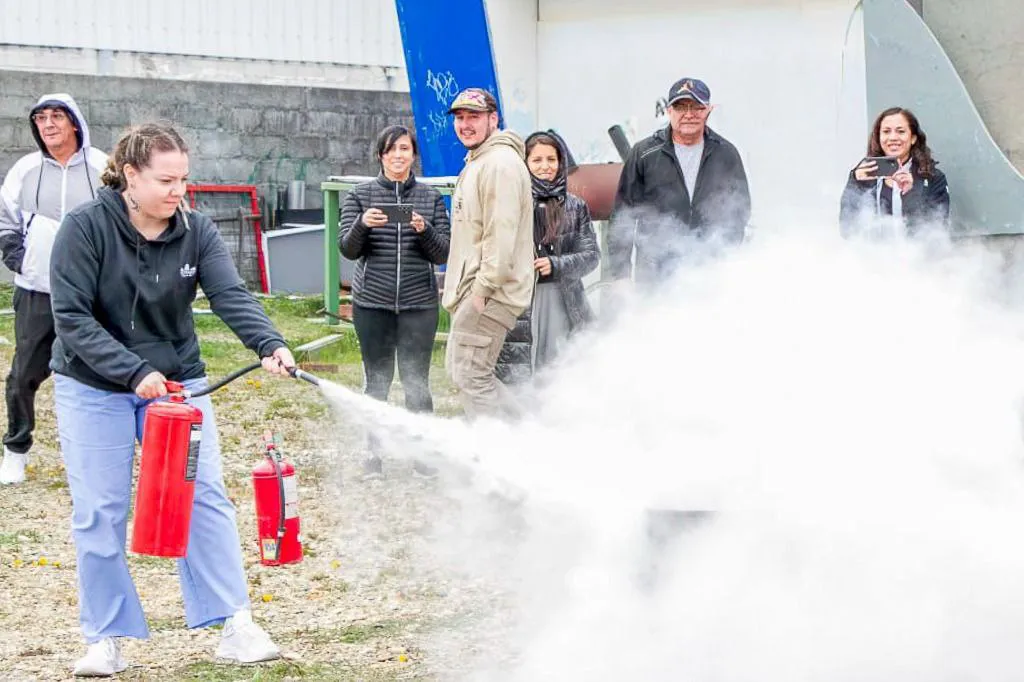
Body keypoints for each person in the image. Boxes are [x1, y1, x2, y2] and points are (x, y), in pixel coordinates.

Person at [48, 122, 294, 676]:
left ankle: (234, 620)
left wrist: (270, 343)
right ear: (130, 175)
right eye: (165, 180)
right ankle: (106, 637)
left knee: (205, 496)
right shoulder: (85, 229)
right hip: (93, 385)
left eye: (183, 179)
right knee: (100, 510)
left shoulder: (197, 231)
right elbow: (71, 319)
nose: (177, 191)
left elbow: (231, 295)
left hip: (177, 384)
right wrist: (132, 371)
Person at [0, 93, 107, 485]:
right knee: (24, 373)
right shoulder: (26, 169)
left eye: (57, 117)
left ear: (74, 123)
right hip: (37, 289)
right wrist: (18, 257)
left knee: (98, 373)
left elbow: (123, 216)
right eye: (41, 118)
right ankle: (15, 449)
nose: (48, 125)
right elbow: (6, 218)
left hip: (92, 293)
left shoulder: (102, 167)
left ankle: (96, 452)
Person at [339, 125, 450, 476]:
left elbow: (443, 252)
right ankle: (373, 456)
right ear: (381, 156)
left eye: (405, 149)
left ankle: (423, 457)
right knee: (377, 381)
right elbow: (347, 248)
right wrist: (362, 224)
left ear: (413, 154)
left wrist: (424, 228)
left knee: (417, 381)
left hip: (419, 304)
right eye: (391, 150)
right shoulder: (361, 195)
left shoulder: (430, 198)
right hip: (373, 303)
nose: (398, 155)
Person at [441, 88, 534, 418]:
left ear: (493, 119)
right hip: (479, 289)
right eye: (460, 118)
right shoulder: (482, 161)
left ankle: (506, 453)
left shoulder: (499, 165)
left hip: (490, 292)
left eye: (474, 117)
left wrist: (480, 292)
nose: (465, 125)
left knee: (471, 374)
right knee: (466, 373)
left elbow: (500, 235)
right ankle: (524, 442)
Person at [609, 77, 751, 286]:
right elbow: (623, 216)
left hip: (709, 273)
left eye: (697, 107)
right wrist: (620, 275)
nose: (689, 114)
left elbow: (740, 212)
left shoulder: (726, 153)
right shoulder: (644, 153)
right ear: (669, 111)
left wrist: (723, 255)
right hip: (655, 273)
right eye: (681, 107)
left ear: (708, 110)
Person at [496, 130, 601, 385]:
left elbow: (591, 255)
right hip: (521, 300)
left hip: (564, 297)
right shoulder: (512, 203)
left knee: (560, 366)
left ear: (560, 162)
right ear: (525, 164)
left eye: (551, 160)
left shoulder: (575, 206)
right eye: (537, 160)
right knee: (522, 368)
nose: (545, 167)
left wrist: (556, 265)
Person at [839, 106, 950, 237]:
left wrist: (911, 193)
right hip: (871, 255)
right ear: (879, 138)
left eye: (901, 131)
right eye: (886, 132)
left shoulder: (932, 178)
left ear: (913, 138)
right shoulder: (864, 176)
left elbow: (936, 230)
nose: (892, 137)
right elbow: (847, 229)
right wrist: (856, 183)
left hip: (916, 256)